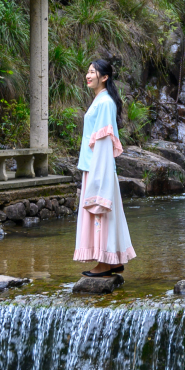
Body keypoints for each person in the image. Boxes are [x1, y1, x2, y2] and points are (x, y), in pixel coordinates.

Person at [73, 58, 135, 276]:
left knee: (100, 211)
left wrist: (99, 175)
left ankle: (104, 263)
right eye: (87, 72)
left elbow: (102, 141)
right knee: (105, 212)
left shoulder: (105, 102)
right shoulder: (101, 100)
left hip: (98, 166)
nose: (88, 76)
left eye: (93, 72)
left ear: (104, 77)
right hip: (95, 165)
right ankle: (113, 260)